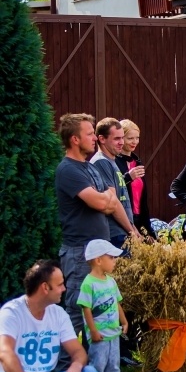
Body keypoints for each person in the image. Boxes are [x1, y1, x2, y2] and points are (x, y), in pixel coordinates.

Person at [55, 113, 117, 359]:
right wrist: (104, 200)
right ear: (74, 139)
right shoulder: (68, 170)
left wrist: (105, 200)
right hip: (80, 253)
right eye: (89, 134)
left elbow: (110, 200)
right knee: (76, 312)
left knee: (100, 311)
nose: (94, 138)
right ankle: (61, 370)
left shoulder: (90, 167)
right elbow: (99, 202)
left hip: (99, 253)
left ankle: (95, 370)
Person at [77, 240, 127, 372]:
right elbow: (86, 309)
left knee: (114, 362)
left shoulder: (111, 282)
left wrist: (124, 321)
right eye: (111, 257)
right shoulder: (88, 283)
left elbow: (116, 303)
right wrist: (93, 331)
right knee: (98, 362)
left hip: (113, 333)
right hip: (99, 335)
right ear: (98, 260)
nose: (115, 261)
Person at [91, 118, 141, 250]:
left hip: (123, 231)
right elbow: (112, 202)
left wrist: (134, 229)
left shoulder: (111, 161)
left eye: (122, 138)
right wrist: (131, 230)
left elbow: (123, 201)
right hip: (113, 235)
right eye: (117, 139)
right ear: (102, 139)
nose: (121, 142)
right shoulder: (101, 162)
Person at [115, 119, 155, 238]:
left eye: (137, 138)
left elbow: (143, 198)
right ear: (121, 139)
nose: (134, 142)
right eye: (130, 138)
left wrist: (148, 231)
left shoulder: (136, 162)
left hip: (139, 219)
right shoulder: (114, 162)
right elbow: (113, 189)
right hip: (123, 220)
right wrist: (128, 177)